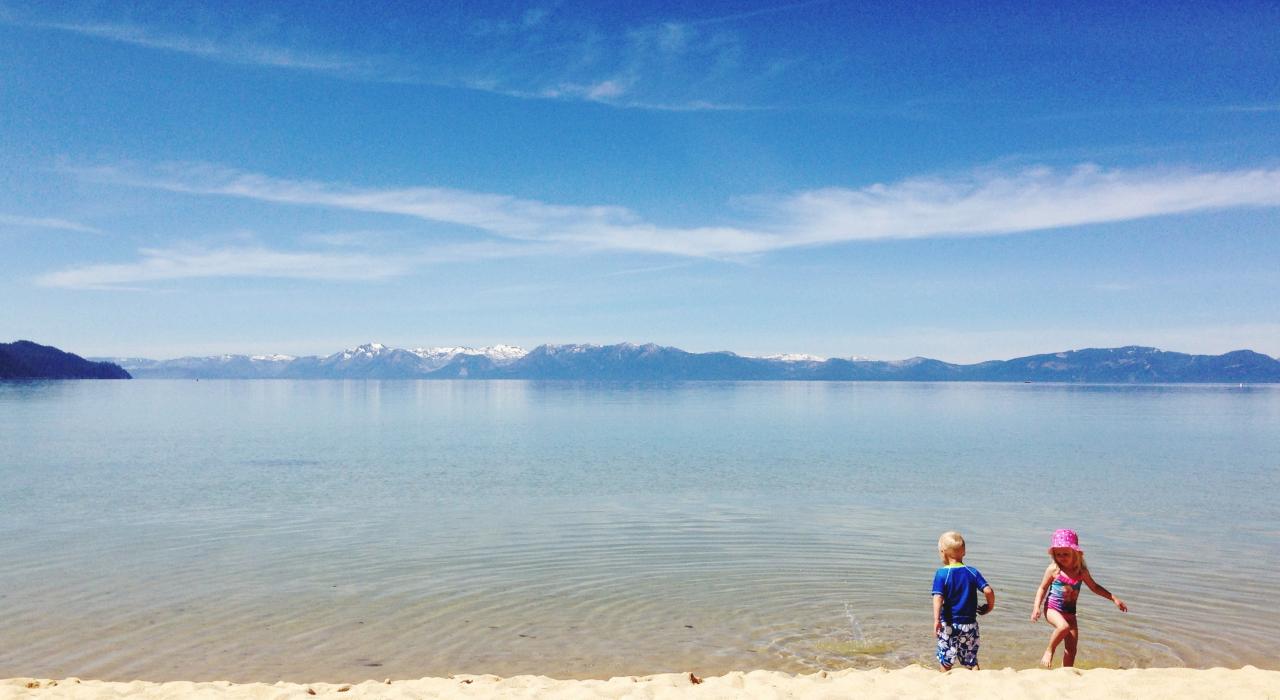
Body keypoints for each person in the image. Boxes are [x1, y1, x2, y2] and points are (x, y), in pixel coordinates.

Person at [1031, 528, 1128, 668]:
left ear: (1075, 553)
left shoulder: (1081, 571)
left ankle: (1067, 673)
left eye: (1066, 554)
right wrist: (1036, 608)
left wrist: (1114, 598)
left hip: (1070, 614)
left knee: (1071, 650)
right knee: (1063, 627)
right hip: (1052, 609)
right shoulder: (1054, 569)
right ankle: (1049, 650)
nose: (1061, 557)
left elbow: (1094, 587)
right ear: (1053, 554)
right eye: (1058, 554)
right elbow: (1042, 588)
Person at [932, 531, 995, 671]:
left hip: (949, 625)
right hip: (970, 625)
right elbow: (988, 590)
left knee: (946, 660)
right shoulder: (972, 571)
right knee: (971, 659)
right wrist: (989, 607)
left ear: (943, 552)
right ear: (964, 552)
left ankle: (944, 679)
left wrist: (936, 619)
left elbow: (938, 597)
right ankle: (976, 678)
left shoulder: (942, 574)